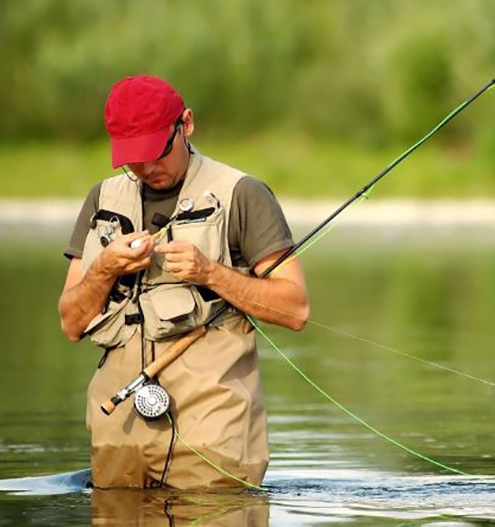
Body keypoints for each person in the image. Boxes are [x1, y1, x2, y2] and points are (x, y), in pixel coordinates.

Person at [58, 74, 310, 489]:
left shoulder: (243, 194)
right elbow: (71, 324)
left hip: (214, 436)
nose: (148, 168)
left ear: (186, 124)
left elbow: (296, 309)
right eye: (133, 158)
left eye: (158, 152)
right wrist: (104, 267)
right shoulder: (101, 200)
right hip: (117, 431)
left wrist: (209, 272)